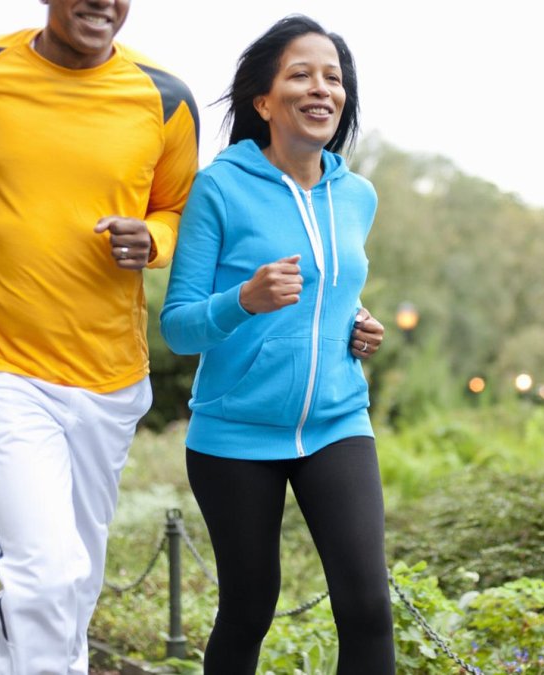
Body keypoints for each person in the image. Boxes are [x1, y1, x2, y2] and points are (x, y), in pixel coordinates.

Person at [0, 1, 200, 672]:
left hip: (109, 377)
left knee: (75, 583)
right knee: (45, 575)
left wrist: (157, 240)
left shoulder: (166, 99)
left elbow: (174, 207)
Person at [160, 15, 393, 674]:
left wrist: (358, 323)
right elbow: (177, 326)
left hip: (337, 421)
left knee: (368, 607)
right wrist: (244, 300)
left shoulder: (359, 196)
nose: (322, 88)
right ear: (263, 100)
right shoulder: (219, 188)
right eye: (301, 74)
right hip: (234, 433)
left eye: (333, 77)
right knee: (250, 604)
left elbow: (331, 288)